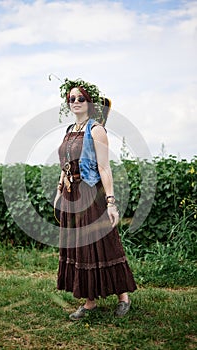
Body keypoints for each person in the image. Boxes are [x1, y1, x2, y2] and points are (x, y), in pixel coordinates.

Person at [54, 78, 137, 321]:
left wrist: (111, 202)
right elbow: (66, 164)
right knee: (81, 248)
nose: (76, 102)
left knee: (103, 244)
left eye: (81, 98)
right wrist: (60, 189)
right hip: (71, 195)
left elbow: (104, 167)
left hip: (91, 194)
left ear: (89, 103)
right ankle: (90, 302)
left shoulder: (96, 129)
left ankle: (123, 297)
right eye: (72, 99)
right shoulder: (70, 131)